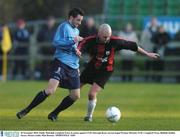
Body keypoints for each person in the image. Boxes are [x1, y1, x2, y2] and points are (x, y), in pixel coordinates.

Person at [77, 24, 160, 122]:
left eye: (108, 36)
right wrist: (77, 51)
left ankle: (89, 116)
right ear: (99, 34)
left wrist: (147, 53)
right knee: (75, 90)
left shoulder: (115, 41)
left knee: (91, 94)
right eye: (105, 37)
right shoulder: (91, 40)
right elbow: (81, 43)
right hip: (92, 67)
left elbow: (133, 45)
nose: (107, 38)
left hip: (106, 70)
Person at [16, 8, 84, 122]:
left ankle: (54, 113)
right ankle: (26, 110)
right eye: (78, 20)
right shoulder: (63, 27)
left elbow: (72, 47)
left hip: (73, 66)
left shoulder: (76, 31)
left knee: (75, 95)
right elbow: (56, 43)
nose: (79, 23)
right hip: (61, 63)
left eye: (81, 20)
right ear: (71, 17)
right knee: (50, 90)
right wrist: (73, 41)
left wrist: (77, 52)